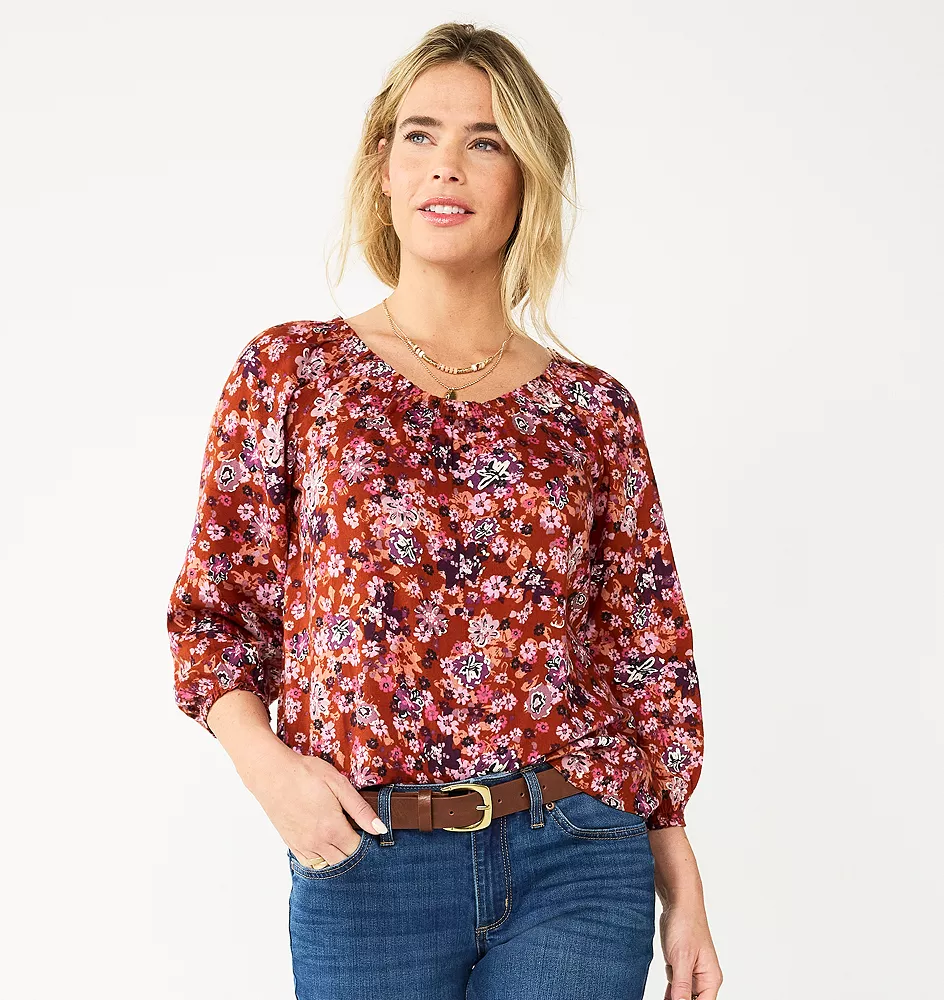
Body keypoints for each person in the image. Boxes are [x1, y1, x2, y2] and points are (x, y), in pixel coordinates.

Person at [166, 21, 722, 1000]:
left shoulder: (592, 411)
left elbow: (643, 653)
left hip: (578, 850)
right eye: (419, 134)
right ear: (382, 168)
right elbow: (214, 619)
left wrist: (684, 889)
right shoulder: (291, 373)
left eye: (485, 141)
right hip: (365, 855)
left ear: (526, 181)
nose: (445, 166)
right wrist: (272, 775)